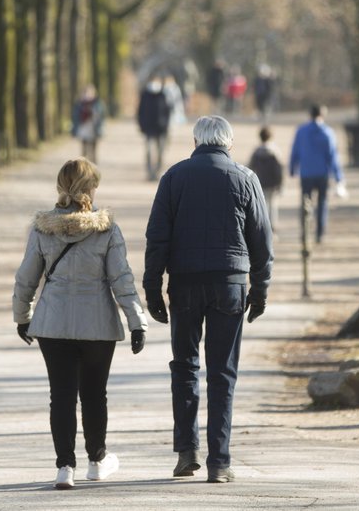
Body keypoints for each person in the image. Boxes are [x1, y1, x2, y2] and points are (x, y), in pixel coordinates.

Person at [143, 115, 273, 484]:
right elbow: (262, 241)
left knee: (184, 368)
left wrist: (153, 287)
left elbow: (157, 238)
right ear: (228, 143)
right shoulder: (246, 179)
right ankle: (220, 462)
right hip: (229, 283)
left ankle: (187, 451)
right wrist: (260, 289)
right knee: (222, 373)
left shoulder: (174, 178)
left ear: (196, 141)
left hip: (184, 283)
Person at [12, 158, 149, 490]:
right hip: (97, 324)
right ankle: (97, 460)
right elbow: (121, 279)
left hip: (53, 323)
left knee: (60, 395)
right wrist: (136, 322)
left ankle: (64, 468)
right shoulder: (106, 229)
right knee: (94, 394)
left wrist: (23, 316)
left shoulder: (42, 227)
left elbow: (26, 278)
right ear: (90, 189)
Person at [289, 104, 347, 244]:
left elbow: (295, 151)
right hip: (322, 173)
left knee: (305, 203)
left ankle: (305, 231)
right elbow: (333, 156)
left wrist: (292, 168)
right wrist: (339, 177)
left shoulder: (301, 131)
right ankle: (320, 233)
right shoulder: (328, 133)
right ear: (323, 115)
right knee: (322, 203)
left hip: (306, 173)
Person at [248, 126, 284, 233]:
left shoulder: (256, 152)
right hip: (273, 183)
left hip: (260, 182)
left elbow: (250, 167)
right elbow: (279, 169)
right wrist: (280, 183)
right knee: (273, 205)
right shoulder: (275, 151)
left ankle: (263, 226)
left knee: (262, 205)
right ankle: (272, 226)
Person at [137, 76, 172, 181]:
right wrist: (142, 125)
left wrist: (166, 125)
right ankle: (149, 172)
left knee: (160, 151)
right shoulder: (145, 95)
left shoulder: (163, 95)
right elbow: (140, 111)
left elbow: (167, 112)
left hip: (161, 129)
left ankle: (157, 171)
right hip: (148, 128)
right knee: (148, 150)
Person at [72, 84, 105, 163]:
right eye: (85, 93)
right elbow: (75, 117)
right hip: (83, 129)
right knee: (84, 151)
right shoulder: (80, 104)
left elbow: (101, 116)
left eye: (89, 93)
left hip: (94, 129)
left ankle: (94, 169)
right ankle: (82, 169)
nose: (87, 95)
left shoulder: (97, 103)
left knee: (93, 151)